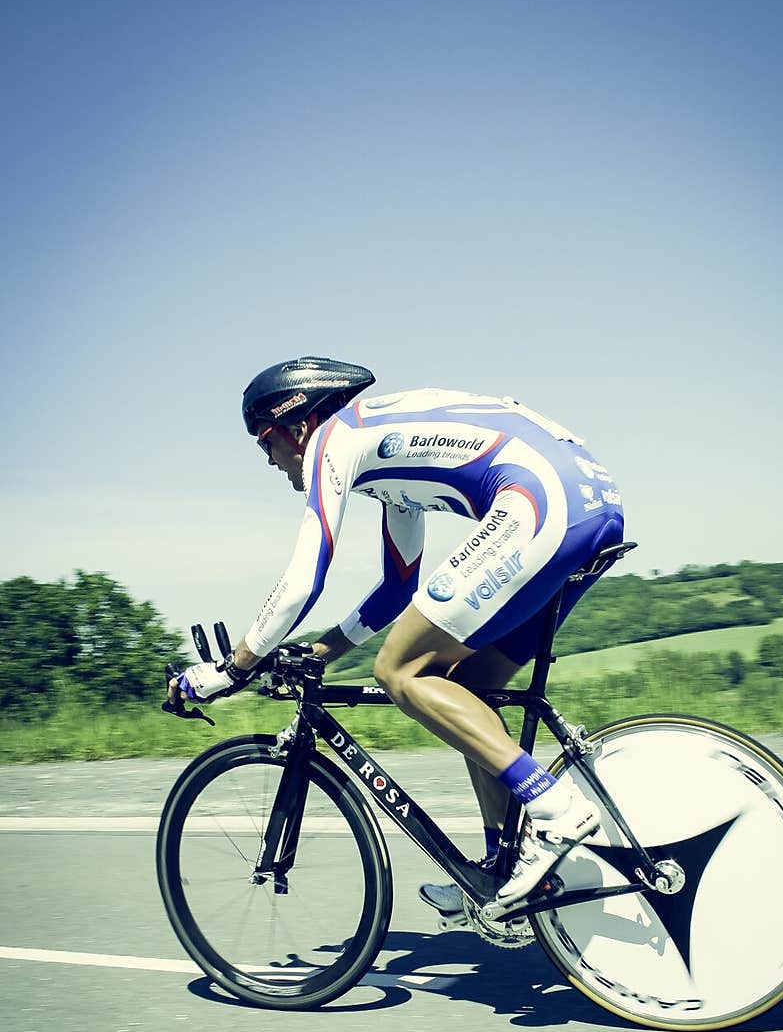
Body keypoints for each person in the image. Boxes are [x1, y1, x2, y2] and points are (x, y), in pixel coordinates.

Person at [168, 356, 625, 909]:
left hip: (541, 501)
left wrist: (232, 667)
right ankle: (504, 868)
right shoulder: (383, 460)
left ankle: (554, 808)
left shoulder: (333, 440)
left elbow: (304, 575)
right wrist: (322, 649)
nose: (271, 461)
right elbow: (397, 588)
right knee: (464, 686)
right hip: (588, 502)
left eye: (265, 444)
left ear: (295, 425)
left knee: (397, 670)